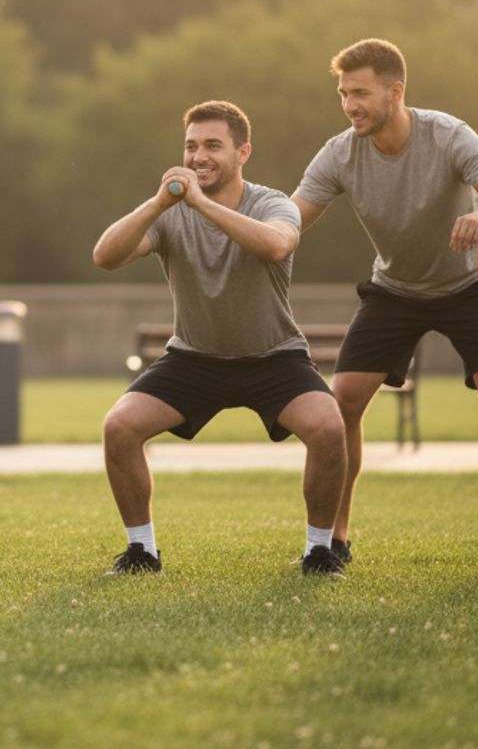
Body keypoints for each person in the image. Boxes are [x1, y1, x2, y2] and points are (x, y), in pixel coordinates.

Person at [92, 100, 348, 577]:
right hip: (194, 360)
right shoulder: (169, 210)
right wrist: (157, 204)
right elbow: (105, 257)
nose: (198, 156)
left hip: (274, 358)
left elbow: (275, 246)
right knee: (119, 428)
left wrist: (201, 205)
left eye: (212, 145)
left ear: (242, 152)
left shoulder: (271, 203)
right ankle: (142, 552)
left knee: (329, 429)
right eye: (190, 146)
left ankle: (319, 551)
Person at [291, 38, 478, 567]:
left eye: (362, 93)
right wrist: (232, 223)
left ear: (396, 91)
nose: (351, 105)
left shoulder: (446, 134)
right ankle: (333, 542)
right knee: (341, 401)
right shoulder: (340, 152)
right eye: (344, 94)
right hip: (394, 291)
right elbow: (293, 216)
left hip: (468, 288)